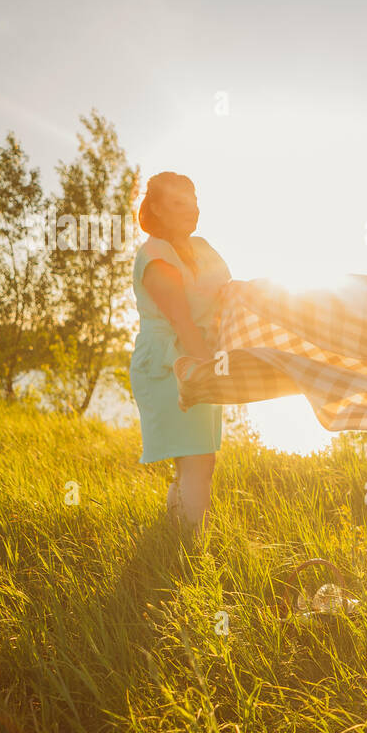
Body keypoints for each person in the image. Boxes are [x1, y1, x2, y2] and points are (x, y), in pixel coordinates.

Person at [129, 172, 231, 534]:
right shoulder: (154, 254)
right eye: (178, 203)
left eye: (193, 200)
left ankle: (174, 533)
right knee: (198, 460)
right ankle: (190, 545)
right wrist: (212, 370)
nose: (191, 209)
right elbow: (181, 320)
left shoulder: (202, 247)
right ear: (155, 207)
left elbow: (228, 294)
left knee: (195, 459)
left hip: (199, 352)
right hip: (170, 362)